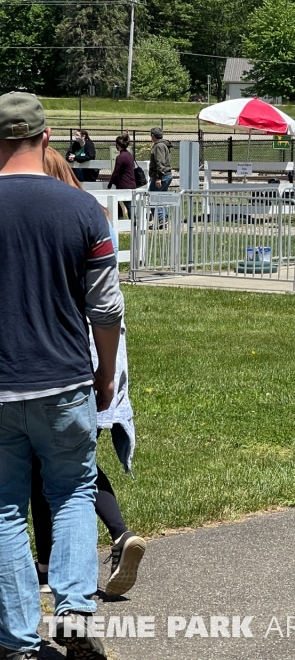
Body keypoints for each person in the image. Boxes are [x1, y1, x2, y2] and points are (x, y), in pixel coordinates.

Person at [0, 92, 123, 659]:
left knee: (4, 510)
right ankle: (73, 614)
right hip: (65, 377)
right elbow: (106, 308)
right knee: (72, 492)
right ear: (47, 138)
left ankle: (19, 641)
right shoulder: (83, 209)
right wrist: (103, 376)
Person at [32, 147, 146, 600]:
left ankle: (52, 565)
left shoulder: (50, 221)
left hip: (64, 351)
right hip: (105, 348)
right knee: (69, 460)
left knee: (58, 466)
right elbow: (107, 303)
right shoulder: (92, 214)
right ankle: (117, 536)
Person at [107, 134, 137, 220]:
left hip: (124, 184)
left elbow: (115, 172)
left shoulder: (120, 157)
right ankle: (129, 220)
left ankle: (129, 220)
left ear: (118, 145)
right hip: (131, 183)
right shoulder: (129, 155)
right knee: (127, 203)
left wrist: (109, 184)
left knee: (126, 204)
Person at [147, 127, 172, 192]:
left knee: (153, 198)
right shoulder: (164, 144)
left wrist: (159, 178)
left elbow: (160, 162)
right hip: (166, 175)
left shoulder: (159, 146)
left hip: (162, 176)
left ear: (153, 135)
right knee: (162, 199)